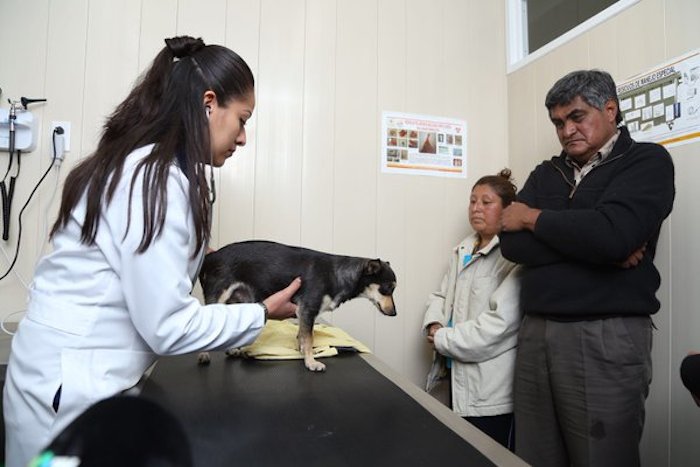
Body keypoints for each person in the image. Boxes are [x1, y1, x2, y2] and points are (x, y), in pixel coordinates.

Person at [3, 36, 300, 467]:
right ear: (209, 103)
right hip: (67, 391)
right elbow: (168, 326)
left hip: (73, 375)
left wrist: (198, 254)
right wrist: (260, 314)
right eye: (242, 119)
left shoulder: (144, 166)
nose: (243, 137)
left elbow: (134, 259)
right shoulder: (154, 180)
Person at [500, 69, 675, 466]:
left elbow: (613, 234)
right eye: (559, 122)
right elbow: (511, 244)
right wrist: (598, 246)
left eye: (577, 116)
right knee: (535, 457)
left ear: (610, 110)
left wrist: (532, 219)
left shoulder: (646, 161)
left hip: (605, 333)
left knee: (602, 457)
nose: (566, 130)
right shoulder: (548, 172)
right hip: (536, 332)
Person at [423, 169, 521, 450]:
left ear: (507, 209)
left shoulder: (514, 255)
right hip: (454, 379)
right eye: (472, 201)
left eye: (486, 202)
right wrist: (434, 325)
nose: (476, 208)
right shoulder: (463, 249)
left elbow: (499, 326)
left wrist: (442, 339)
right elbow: (441, 296)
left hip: (490, 393)